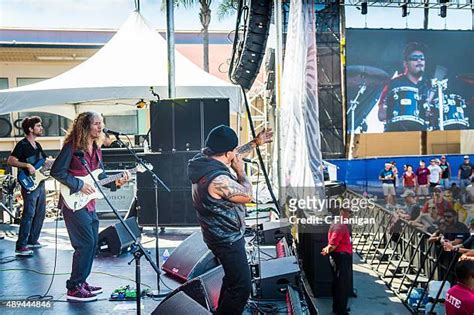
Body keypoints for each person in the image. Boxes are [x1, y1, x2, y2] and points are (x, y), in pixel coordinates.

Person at [187, 125, 273, 315]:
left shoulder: (202, 161)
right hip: (227, 240)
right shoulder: (219, 181)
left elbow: (233, 154)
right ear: (227, 153)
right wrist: (241, 172)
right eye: (232, 151)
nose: (236, 154)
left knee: (232, 280)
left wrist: (255, 143)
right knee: (242, 287)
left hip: (216, 235)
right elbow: (247, 195)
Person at [51, 112, 130, 302]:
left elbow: (99, 178)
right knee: (84, 244)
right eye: (96, 124)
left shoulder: (96, 148)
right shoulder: (72, 146)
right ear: (86, 126)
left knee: (92, 244)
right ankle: (74, 288)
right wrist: (79, 185)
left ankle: (81, 282)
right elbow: (56, 171)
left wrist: (116, 182)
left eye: (101, 123)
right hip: (74, 204)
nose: (100, 127)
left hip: (90, 203)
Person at [7, 116, 51, 256]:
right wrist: (26, 165)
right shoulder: (22, 145)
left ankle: (33, 240)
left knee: (40, 212)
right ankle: (21, 245)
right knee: (29, 213)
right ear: (31, 129)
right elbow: (10, 160)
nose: (41, 128)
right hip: (29, 183)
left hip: (40, 182)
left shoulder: (37, 146)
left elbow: (45, 162)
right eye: (38, 126)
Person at [377, 42, 431, 132]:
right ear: (405, 64)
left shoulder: (428, 86)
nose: (419, 61)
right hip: (396, 133)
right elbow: (381, 115)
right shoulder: (393, 84)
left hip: (422, 134)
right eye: (415, 58)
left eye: (422, 58)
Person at [321, 208, 353, 315]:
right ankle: (341, 310)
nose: (349, 215)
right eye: (348, 212)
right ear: (343, 212)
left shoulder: (336, 223)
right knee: (342, 285)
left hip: (338, 257)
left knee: (338, 283)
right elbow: (333, 244)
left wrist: (327, 249)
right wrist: (327, 250)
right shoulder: (340, 226)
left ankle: (338, 307)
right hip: (341, 258)